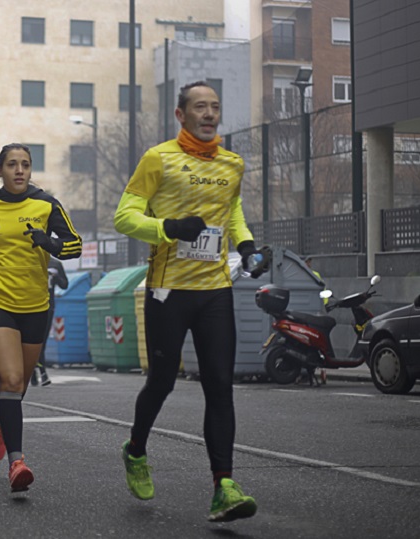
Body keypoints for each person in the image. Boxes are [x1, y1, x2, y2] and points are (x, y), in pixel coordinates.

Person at [113, 81, 265, 523]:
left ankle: (224, 486)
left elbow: (231, 210)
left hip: (215, 288)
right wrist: (169, 229)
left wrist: (249, 246)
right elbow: (125, 216)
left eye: (215, 107)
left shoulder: (232, 164)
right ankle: (136, 448)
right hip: (168, 288)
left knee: (219, 384)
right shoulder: (158, 158)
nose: (209, 114)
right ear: (181, 115)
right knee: (161, 380)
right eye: (200, 107)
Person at [0, 143, 81, 493]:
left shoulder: (46, 204)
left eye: (25, 164)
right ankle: (17, 463)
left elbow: (74, 245)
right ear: (1, 171)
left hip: (36, 305)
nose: (19, 170)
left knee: (18, 386)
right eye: (12, 164)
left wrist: (49, 243)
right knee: (9, 380)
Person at [30, 257, 68, 387]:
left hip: (48, 306)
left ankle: (37, 371)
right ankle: (39, 371)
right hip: (29, 305)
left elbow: (65, 285)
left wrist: (55, 277)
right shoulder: (28, 259)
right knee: (33, 340)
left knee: (42, 340)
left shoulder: (55, 264)